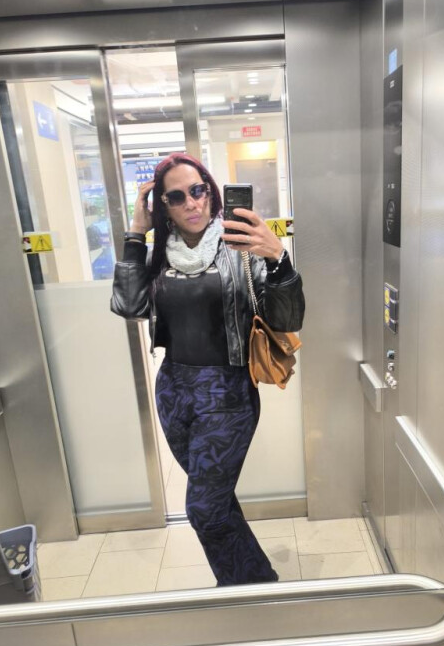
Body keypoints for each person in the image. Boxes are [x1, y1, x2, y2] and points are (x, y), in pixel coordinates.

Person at [111, 152, 305, 586]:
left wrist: (278, 259)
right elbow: (128, 305)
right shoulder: (161, 255)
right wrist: (135, 235)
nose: (191, 203)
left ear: (211, 193)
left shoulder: (239, 248)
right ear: (163, 207)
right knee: (217, 501)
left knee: (204, 509)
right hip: (174, 392)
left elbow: (288, 318)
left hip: (227, 394)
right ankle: (254, 584)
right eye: (176, 197)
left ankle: (245, 587)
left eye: (197, 190)